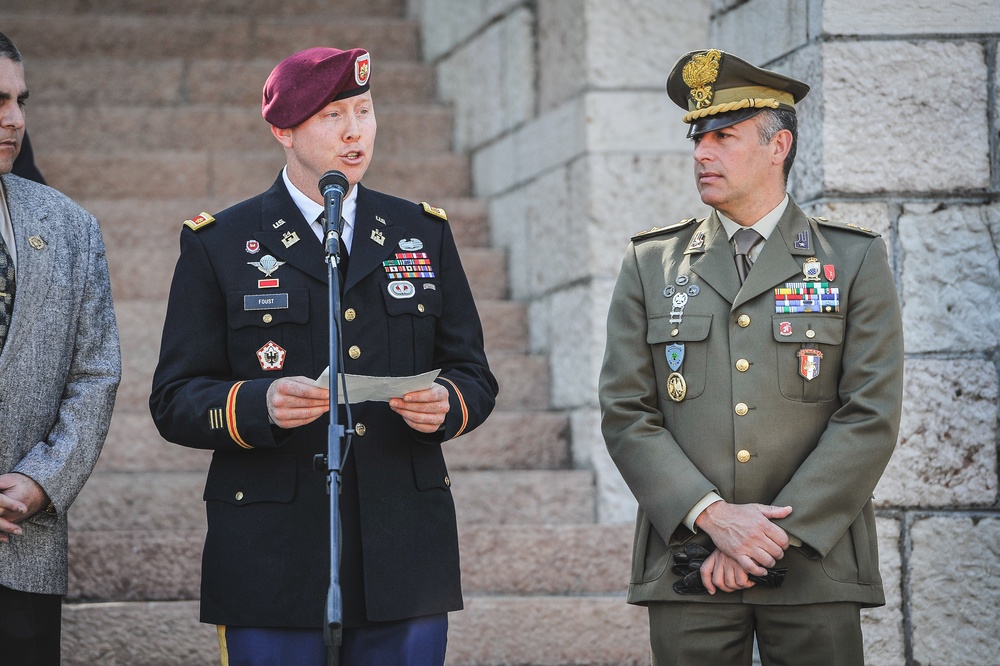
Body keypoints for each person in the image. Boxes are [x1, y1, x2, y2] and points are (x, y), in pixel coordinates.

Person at [149, 47, 498, 665]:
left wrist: (448, 403)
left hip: (403, 547)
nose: (355, 130)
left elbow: (473, 372)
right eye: (332, 114)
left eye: (363, 110)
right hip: (271, 552)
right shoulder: (221, 244)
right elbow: (175, 399)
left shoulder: (421, 232)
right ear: (283, 130)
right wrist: (258, 404)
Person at [599, 49, 904, 665]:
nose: (702, 154)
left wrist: (766, 540)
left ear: (778, 146)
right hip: (689, 564)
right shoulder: (651, 264)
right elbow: (626, 411)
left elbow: (869, 413)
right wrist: (714, 519)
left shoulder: (853, 261)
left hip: (816, 565)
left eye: (724, 136)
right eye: (697, 138)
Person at [0, 31, 121, 666]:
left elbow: (95, 370)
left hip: (26, 547)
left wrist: (42, 480)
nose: (15, 119)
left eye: (21, 100)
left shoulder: (69, 225)